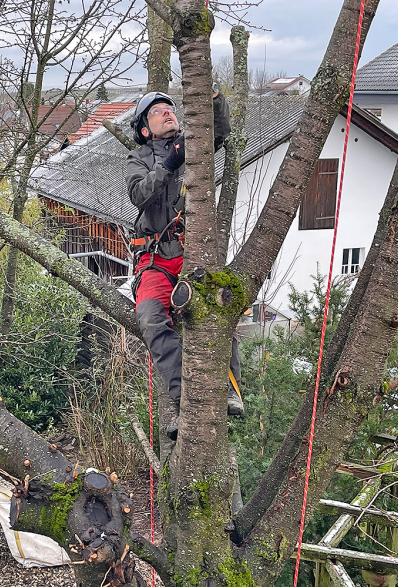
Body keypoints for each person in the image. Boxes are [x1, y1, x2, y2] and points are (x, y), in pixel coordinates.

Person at [126, 88, 242, 440]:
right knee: (150, 317)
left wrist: (216, 98)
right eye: (157, 112)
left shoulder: (194, 146)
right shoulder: (139, 158)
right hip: (157, 259)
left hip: (194, 252)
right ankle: (182, 399)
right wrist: (169, 164)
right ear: (145, 129)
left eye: (169, 109)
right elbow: (138, 195)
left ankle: (230, 390)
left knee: (221, 309)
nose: (167, 113)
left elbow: (219, 132)